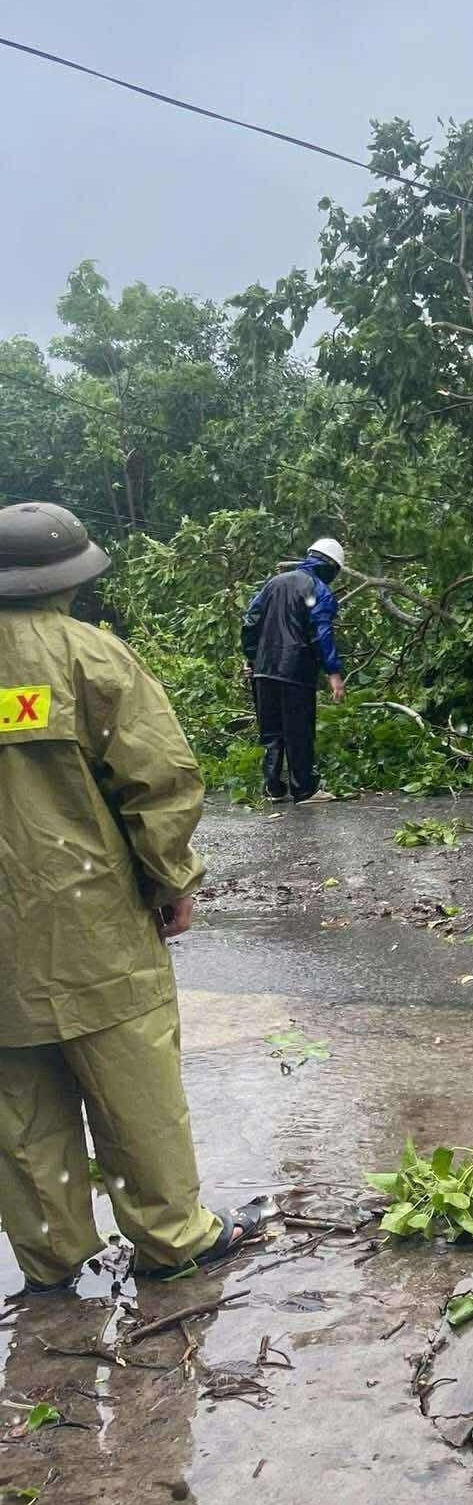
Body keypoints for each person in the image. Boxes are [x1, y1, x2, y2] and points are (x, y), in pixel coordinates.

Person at [0, 501, 273, 1294]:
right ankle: (171, 1238)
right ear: (71, 582)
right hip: (94, 926)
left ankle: (51, 1258)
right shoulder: (95, 660)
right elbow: (159, 784)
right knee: (134, 1088)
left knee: (19, 1106)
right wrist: (171, 880)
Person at [241, 537, 347, 803]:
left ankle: (274, 789)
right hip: (296, 671)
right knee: (298, 730)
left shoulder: (274, 583)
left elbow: (250, 621)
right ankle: (305, 789)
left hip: (264, 671)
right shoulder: (319, 589)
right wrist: (333, 672)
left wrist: (252, 659)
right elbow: (322, 633)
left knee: (271, 731)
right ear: (331, 566)